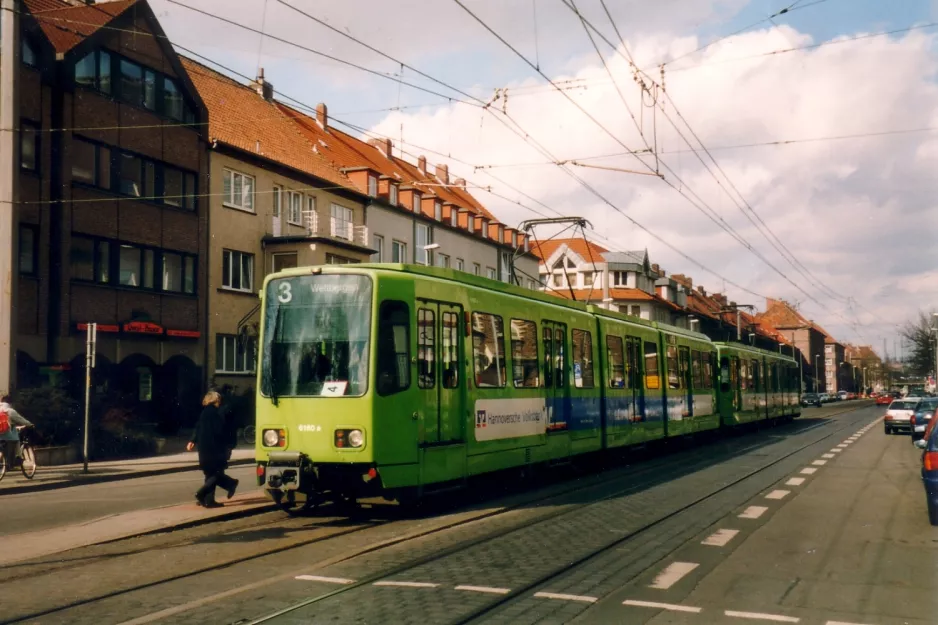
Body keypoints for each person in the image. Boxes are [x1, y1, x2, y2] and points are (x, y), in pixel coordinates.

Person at [187, 391, 238, 508]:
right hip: (216, 447)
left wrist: (193, 441)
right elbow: (225, 430)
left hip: (205, 447)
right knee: (216, 472)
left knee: (210, 472)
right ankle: (206, 494)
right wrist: (230, 445)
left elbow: (199, 427)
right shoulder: (218, 412)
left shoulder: (205, 412)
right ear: (216, 400)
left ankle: (208, 499)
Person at [0, 393, 33, 465]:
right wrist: (30, 424)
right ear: (10, 402)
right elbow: (21, 420)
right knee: (16, 438)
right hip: (6, 434)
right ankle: (18, 456)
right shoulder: (9, 411)